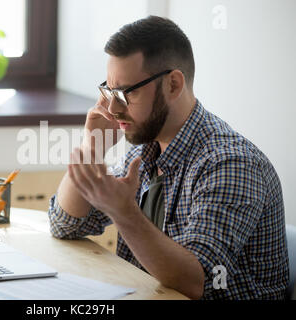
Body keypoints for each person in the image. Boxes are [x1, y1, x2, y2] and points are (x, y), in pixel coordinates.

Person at [47, 16, 289, 300]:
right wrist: (93, 146)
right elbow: (66, 225)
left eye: (127, 92)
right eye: (110, 91)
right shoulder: (146, 149)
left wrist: (124, 212)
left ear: (173, 85)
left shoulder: (231, 164)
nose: (112, 108)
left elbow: (195, 281)